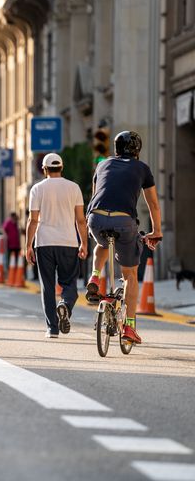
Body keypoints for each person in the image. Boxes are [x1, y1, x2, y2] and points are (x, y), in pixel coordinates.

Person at [85, 131, 162, 344]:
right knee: (130, 275)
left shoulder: (102, 164)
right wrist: (157, 231)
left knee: (101, 243)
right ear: (137, 150)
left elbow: (95, 196)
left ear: (116, 148)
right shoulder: (142, 168)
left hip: (96, 218)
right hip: (123, 220)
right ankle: (129, 327)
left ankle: (94, 277)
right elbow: (153, 204)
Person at [24, 153, 87, 339]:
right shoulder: (74, 188)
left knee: (48, 286)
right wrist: (83, 243)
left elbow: (32, 219)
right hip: (68, 242)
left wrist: (28, 245)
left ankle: (52, 328)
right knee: (69, 283)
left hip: (44, 243)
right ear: (62, 167)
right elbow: (81, 220)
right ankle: (66, 305)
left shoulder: (37, 189)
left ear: (44, 169)